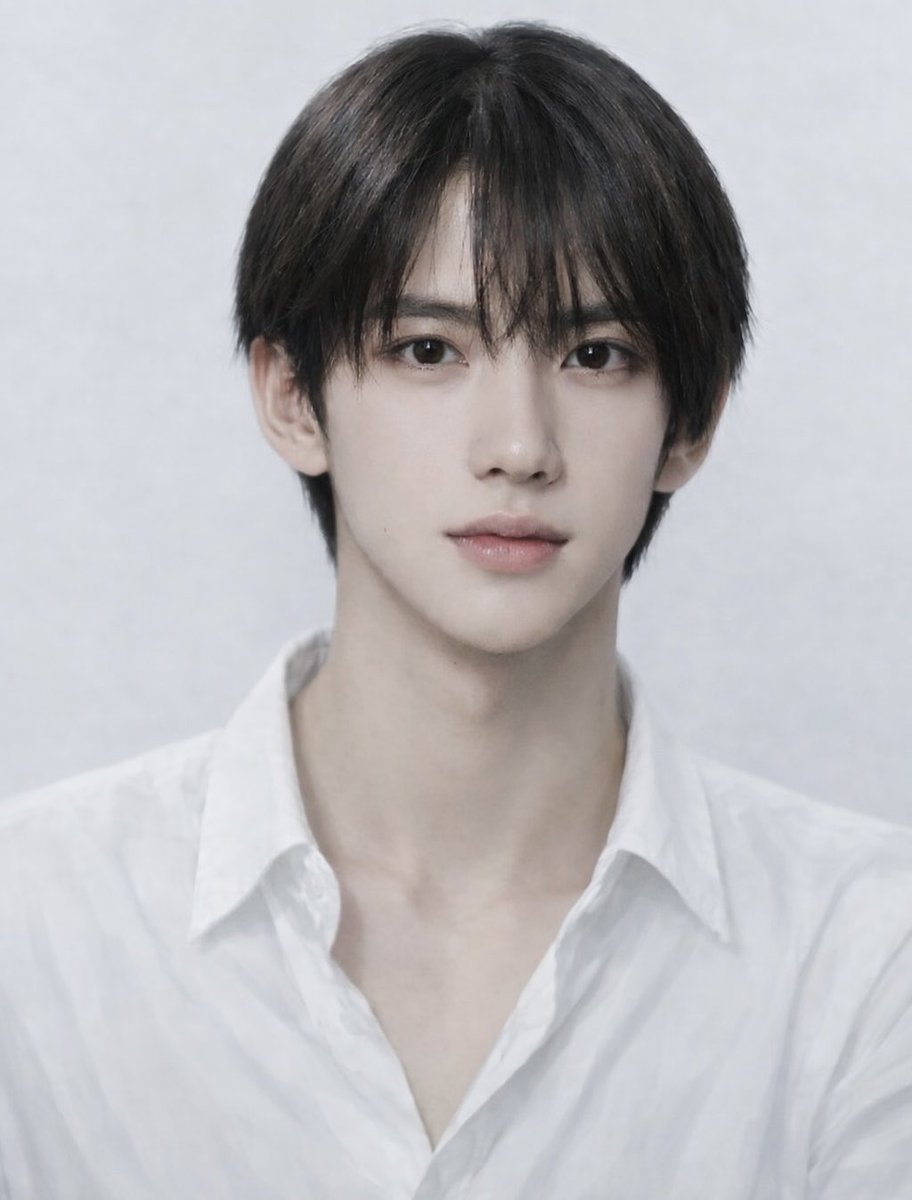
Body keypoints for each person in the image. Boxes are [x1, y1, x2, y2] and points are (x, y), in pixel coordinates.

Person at [1, 22, 910, 1200]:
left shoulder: (867, 952)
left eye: (596, 355)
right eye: (429, 350)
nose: (519, 446)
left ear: (690, 422)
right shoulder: (37, 923)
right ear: (292, 399)